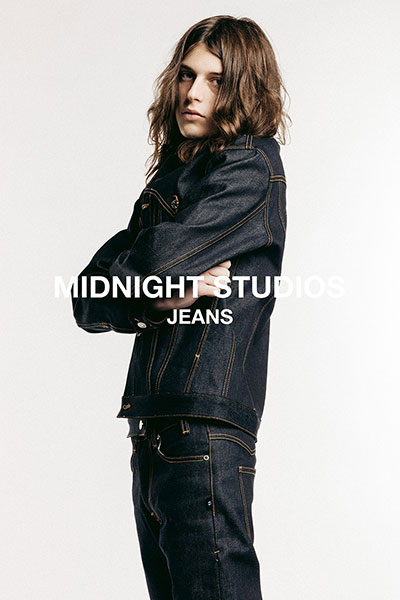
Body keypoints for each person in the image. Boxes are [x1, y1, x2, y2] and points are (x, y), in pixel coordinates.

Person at [71, 14, 290, 600]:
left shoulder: (249, 166)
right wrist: (167, 294)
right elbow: (86, 296)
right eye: (187, 75)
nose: (193, 92)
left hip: (203, 433)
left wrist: (151, 277)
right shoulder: (174, 178)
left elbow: (151, 263)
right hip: (155, 429)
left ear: (244, 88)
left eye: (215, 80)